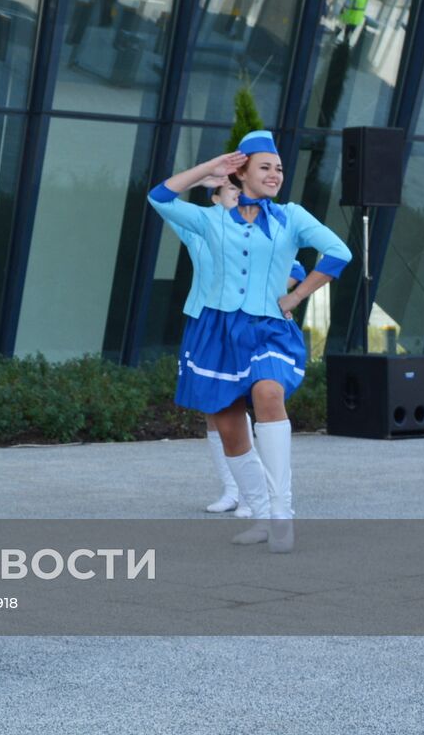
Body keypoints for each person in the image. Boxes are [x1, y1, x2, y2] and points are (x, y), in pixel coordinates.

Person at [148, 131, 351, 553]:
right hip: (215, 331)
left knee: (268, 393)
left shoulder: (291, 217)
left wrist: (296, 295)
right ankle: (259, 514)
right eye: (265, 167)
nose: (275, 174)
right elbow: (159, 197)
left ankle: (282, 514)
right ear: (241, 171)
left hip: (269, 328)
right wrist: (210, 168)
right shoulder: (210, 220)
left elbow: (338, 253)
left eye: (278, 168)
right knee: (227, 426)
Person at [163, 176, 308, 519]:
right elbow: (164, 202)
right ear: (214, 198)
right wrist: (202, 174)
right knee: (216, 412)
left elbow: (296, 270)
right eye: (230, 190)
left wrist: (273, 296)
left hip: (251, 328)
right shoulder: (200, 229)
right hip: (209, 326)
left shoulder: (264, 227)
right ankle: (232, 489)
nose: (239, 195)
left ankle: (256, 498)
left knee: (250, 401)